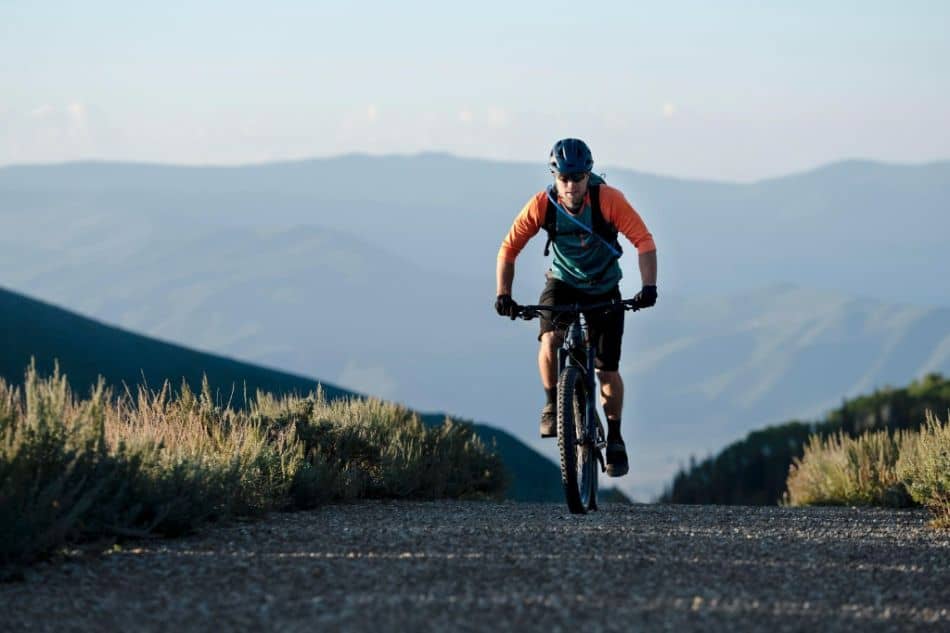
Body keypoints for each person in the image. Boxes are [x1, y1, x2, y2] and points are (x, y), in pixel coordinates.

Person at [494, 138, 658, 477]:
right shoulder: (542, 204)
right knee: (550, 339)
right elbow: (509, 249)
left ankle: (614, 437)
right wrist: (504, 293)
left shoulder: (608, 200)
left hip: (603, 285)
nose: (571, 186)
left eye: (578, 178)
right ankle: (553, 404)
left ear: (589, 175)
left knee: (606, 370)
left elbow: (644, 241)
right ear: (554, 176)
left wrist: (648, 287)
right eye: (564, 179)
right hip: (562, 283)